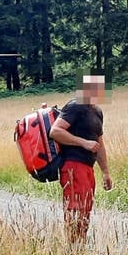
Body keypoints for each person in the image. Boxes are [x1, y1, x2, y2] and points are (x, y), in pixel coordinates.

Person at [49, 74, 113, 244]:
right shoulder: (75, 105)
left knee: (85, 211)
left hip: (87, 169)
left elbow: (99, 142)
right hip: (73, 166)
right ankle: (72, 250)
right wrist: (83, 143)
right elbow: (55, 131)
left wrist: (105, 172)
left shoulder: (97, 111)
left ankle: (79, 248)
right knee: (75, 211)